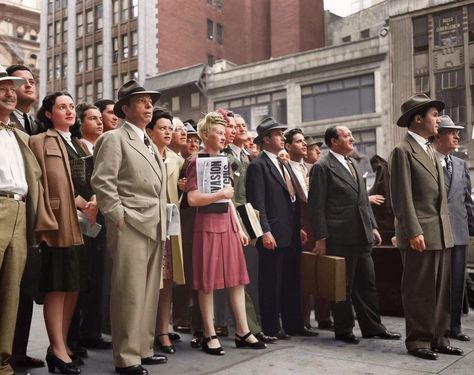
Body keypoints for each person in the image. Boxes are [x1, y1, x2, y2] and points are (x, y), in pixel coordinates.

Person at [91, 80, 168, 375]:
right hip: (130, 223)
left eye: (150, 101)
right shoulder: (114, 139)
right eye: (141, 101)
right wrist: (118, 216)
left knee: (149, 291)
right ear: (125, 108)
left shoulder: (148, 141)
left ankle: (144, 348)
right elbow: (103, 181)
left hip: (154, 223)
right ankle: (126, 357)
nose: (149, 105)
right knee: (129, 292)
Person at [309, 125, 400, 344]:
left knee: (367, 284)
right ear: (333, 141)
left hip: (362, 235)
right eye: (347, 135)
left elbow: (362, 201)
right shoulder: (322, 167)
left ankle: (373, 327)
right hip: (339, 237)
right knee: (343, 286)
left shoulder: (352, 163)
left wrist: (373, 226)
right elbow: (316, 206)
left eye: (351, 135)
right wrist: (321, 238)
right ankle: (344, 329)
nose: (352, 138)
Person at [186, 112, 266, 355]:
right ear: (205, 135)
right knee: (207, 282)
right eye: (218, 132)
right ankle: (209, 334)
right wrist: (220, 195)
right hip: (207, 225)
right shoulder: (195, 161)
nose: (223, 136)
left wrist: (239, 227)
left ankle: (243, 330)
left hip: (227, 223)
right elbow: (192, 199)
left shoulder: (224, 160)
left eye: (224, 132)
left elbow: (230, 199)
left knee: (237, 280)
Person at [389, 94, 461, 360]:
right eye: (433, 115)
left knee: (441, 290)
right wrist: (413, 231)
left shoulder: (431, 149)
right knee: (419, 290)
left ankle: (439, 338)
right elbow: (401, 197)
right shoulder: (402, 151)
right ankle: (419, 341)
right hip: (420, 233)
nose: (438, 120)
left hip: (441, 232)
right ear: (418, 119)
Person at [30, 92, 89, 374]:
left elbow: (92, 180)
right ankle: (56, 348)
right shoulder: (39, 142)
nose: (68, 111)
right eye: (61, 107)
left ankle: (61, 346)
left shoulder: (79, 145)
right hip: (59, 221)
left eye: (71, 107)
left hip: (85, 223)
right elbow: (38, 184)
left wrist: (93, 201)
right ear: (48, 114)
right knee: (57, 285)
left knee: (74, 285)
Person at [246, 118, 315, 339]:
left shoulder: (282, 162)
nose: (282, 137)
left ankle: (294, 324)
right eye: (277, 134)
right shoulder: (258, 165)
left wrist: (299, 227)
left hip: (291, 232)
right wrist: (265, 231)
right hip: (272, 233)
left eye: (282, 134)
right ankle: (271, 327)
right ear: (266, 139)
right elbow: (258, 203)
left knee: (291, 280)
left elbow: (291, 199)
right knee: (271, 282)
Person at [0, 65, 41, 375]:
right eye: (2, 86)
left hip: (20, 211)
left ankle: (3, 361)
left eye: (12, 87)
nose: (10, 91)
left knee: (12, 291)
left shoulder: (21, 136)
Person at [223, 114, 277, 344]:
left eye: (242, 126)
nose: (238, 129)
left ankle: (252, 325)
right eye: (233, 126)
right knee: (239, 278)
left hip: (250, 220)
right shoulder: (225, 157)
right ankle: (249, 328)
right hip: (235, 219)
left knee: (250, 277)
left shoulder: (246, 156)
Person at [145, 108, 185, 354]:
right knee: (147, 281)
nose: (168, 132)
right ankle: (144, 332)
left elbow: (183, 197)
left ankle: (162, 330)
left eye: (170, 128)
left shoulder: (177, 160)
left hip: (170, 227)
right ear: (150, 131)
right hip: (147, 225)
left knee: (167, 281)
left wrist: (182, 188)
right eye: (162, 128)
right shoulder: (144, 153)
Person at [285, 129, 333, 331]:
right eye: (298, 141)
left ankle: (324, 317)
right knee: (303, 274)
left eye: (304, 141)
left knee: (322, 271)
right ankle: (303, 319)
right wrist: (298, 227)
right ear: (288, 146)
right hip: (301, 227)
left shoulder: (312, 168)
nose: (304, 145)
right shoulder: (285, 168)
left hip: (318, 227)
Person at [432, 115, 474, 342]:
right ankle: (436, 327)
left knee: (457, 282)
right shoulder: (427, 161)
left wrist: (472, 228)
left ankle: (455, 327)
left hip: (458, 232)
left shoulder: (460, 164)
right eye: (452, 132)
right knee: (437, 284)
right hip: (435, 232)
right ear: (438, 135)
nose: (457, 136)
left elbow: (467, 200)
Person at [6, 64, 43, 135]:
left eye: (32, 82)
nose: (29, 85)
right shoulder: (3, 121)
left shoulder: (39, 127)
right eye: (22, 82)